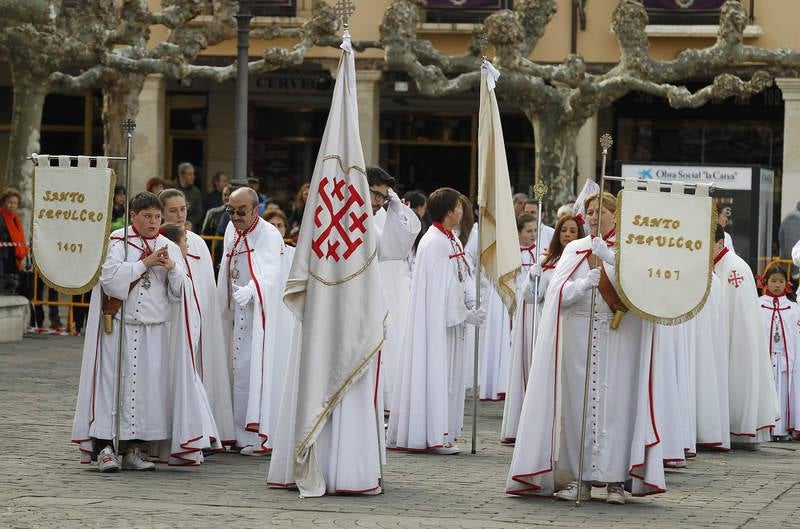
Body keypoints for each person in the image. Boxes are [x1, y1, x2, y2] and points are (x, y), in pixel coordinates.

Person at [506, 191, 666, 504]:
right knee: (576, 408)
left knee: (616, 408)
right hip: (578, 338)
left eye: (599, 211)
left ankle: (615, 481)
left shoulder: (630, 250)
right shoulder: (576, 249)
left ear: (615, 215)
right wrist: (581, 285)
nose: (592, 217)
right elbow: (556, 296)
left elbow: (643, 292)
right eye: (589, 212)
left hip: (620, 338)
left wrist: (610, 259)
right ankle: (577, 478)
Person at [71, 191, 221, 472]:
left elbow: (181, 293)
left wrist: (173, 268)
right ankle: (105, 447)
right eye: (147, 217)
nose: (153, 222)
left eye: (156, 217)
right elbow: (110, 281)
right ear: (133, 217)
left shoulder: (169, 247)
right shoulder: (118, 242)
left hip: (154, 332)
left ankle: (134, 449)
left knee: (146, 392)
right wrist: (145, 263)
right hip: (119, 330)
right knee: (112, 387)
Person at [387, 187, 486, 455]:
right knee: (438, 372)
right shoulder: (435, 243)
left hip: (449, 325)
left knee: (449, 376)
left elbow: (460, 276)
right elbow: (441, 292)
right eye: (458, 206)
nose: (462, 211)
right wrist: (465, 312)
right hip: (437, 326)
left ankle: (443, 431)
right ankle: (431, 434)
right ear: (448, 211)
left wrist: (471, 299)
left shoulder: (450, 239)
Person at [160, 189, 236, 446]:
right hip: (171, 323)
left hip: (199, 320)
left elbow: (205, 286)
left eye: (183, 209)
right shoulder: (157, 241)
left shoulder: (198, 242)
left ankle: (204, 429)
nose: (180, 215)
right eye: (173, 210)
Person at [500, 213, 584, 444]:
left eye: (573, 231)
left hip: (573, 326)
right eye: (564, 230)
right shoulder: (547, 260)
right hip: (547, 325)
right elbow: (531, 297)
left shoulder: (584, 260)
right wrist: (534, 277)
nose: (567, 235)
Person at [216, 187, 285, 455]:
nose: (235, 217)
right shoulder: (231, 230)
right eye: (230, 211)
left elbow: (271, 271)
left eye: (241, 211)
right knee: (236, 373)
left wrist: (253, 290)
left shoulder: (268, 234)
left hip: (258, 314)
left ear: (255, 209)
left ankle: (256, 436)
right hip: (235, 311)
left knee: (253, 370)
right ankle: (235, 431)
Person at [713, 224, 779, 448]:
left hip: (736, 340)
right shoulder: (718, 264)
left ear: (719, 243)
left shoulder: (734, 268)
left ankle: (737, 426)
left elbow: (738, 315)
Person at [366, 167, 422, 412]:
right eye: (375, 195)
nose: (379, 202)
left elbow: (394, 249)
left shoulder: (375, 219)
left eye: (383, 197)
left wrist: (397, 208)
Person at [758, 266, 800, 440]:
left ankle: (782, 430)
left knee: (783, 393)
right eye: (773, 281)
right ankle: (766, 428)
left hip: (785, 359)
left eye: (781, 281)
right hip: (765, 359)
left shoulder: (793, 308)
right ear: (765, 282)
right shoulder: (758, 304)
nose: (777, 285)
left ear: (787, 284)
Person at [0, 188, 27, 293]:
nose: (12, 205)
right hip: (2, 258)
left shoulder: (16, 219)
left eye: (15, 203)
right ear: (4, 203)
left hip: (13, 258)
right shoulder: (1, 217)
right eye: (10, 202)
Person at [176, 162, 204, 232]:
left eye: (193, 174)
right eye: (190, 174)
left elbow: (199, 212)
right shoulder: (171, 189)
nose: (193, 177)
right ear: (182, 175)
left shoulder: (196, 192)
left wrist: (190, 221)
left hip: (188, 225)